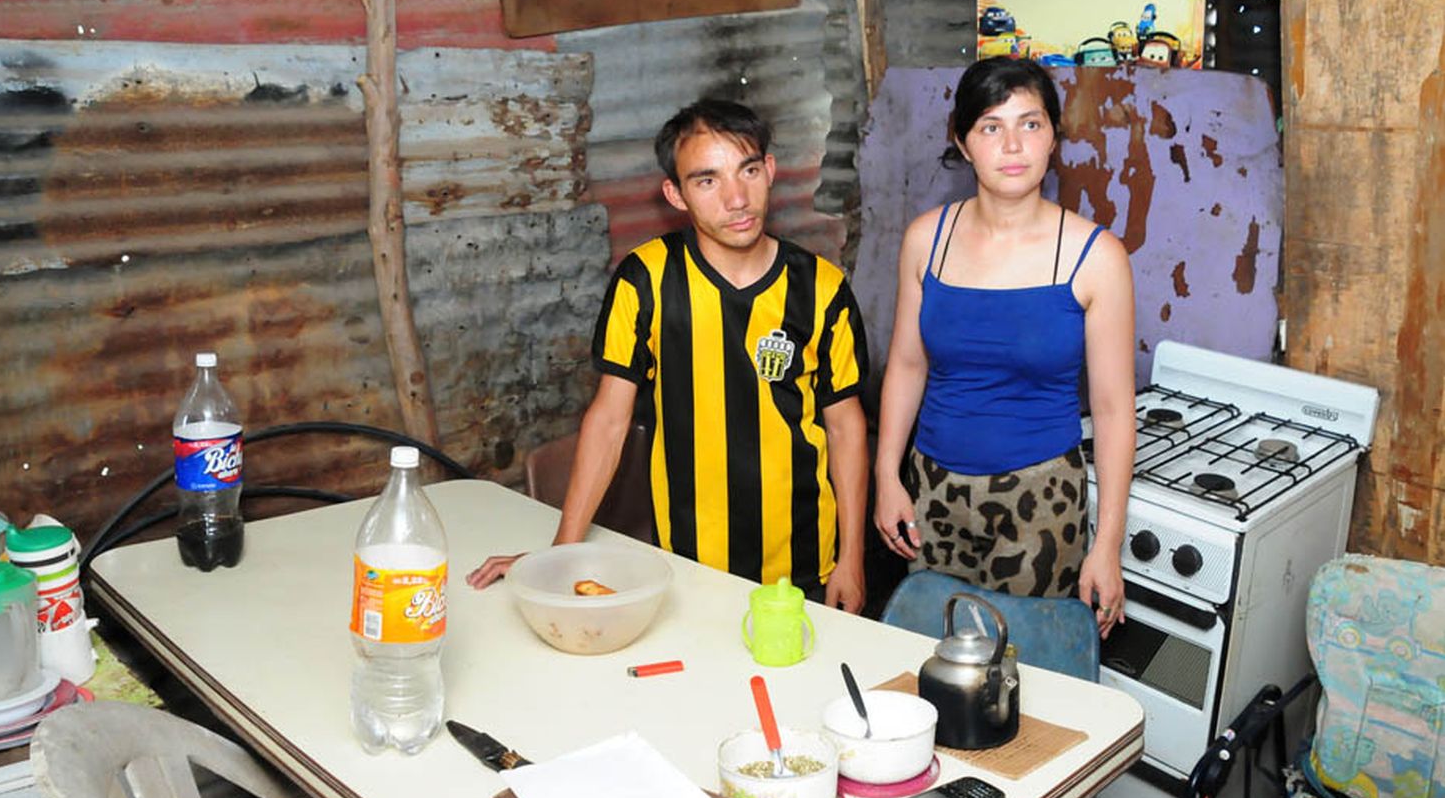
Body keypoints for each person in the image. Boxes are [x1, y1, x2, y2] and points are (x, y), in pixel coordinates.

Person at [468, 99, 871, 612]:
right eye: (707, 181)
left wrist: (851, 559)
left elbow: (845, 427)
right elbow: (610, 421)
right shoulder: (646, 281)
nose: (736, 198)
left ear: (769, 171)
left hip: (804, 570)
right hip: (685, 568)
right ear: (675, 194)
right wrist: (559, 557)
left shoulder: (822, 288)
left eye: (748, 171)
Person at [872, 57, 1134, 639]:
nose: (1013, 145)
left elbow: (1115, 411)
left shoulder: (1096, 257)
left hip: (1040, 500)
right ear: (963, 143)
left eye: (1031, 124)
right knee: (935, 662)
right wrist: (887, 475)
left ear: (1054, 138)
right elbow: (908, 365)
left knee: (1026, 677)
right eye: (991, 127)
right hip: (933, 489)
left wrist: (1108, 543)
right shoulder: (926, 239)